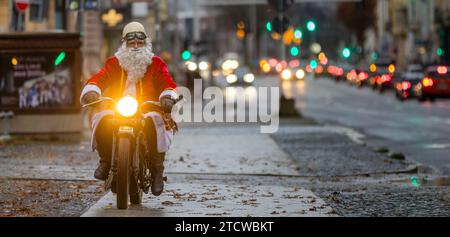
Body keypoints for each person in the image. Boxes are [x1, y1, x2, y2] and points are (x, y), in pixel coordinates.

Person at [79, 22, 177, 196]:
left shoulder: (156, 63)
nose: (136, 47)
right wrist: (92, 91)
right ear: (125, 44)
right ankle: (106, 161)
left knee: (154, 122)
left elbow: (166, 82)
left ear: (145, 43)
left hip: (148, 108)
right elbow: (100, 78)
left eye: (140, 43)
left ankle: (156, 172)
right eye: (132, 43)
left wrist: (167, 96)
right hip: (118, 107)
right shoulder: (115, 63)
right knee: (103, 118)